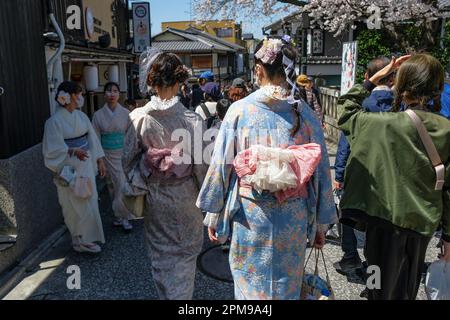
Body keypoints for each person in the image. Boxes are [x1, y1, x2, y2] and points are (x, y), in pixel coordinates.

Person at [197, 37, 337, 300]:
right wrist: (321, 222)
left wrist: (214, 212)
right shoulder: (304, 113)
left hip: (253, 214)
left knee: (251, 283)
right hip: (292, 217)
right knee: (287, 283)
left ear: (258, 70)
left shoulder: (240, 111)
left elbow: (221, 164)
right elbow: (320, 171)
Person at [338, 54, 450, 300]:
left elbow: (346, 112)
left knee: (377, 280)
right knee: (407, 285)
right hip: (422, 225)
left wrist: (372, 80)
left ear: (400, 85)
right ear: (438, 87)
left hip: (383, 221)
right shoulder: (445, 129)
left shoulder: (382, 124)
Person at [123, 48, 207, 300]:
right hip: (186, 199)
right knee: (185, 258)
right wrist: (208, 202)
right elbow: (203, 169)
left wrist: (144, 175)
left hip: (157, 198)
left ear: (152, 80)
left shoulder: (137, 118)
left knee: (161, 259)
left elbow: (126, 162)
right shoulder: (192, 120)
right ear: (181, 81)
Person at [333, 56, 395, 275]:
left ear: (368, 77)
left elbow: (345, 145)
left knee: (349, 216)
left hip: (359, 175)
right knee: (379, 233)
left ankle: (351, 258)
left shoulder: (362, 108)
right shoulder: (403, 108)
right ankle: (375, 275)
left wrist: (339, 174)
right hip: (391, 183)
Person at [43, 81, 106, 254]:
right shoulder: (53, 122)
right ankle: (78, 240)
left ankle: (87, 238)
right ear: (68, 97)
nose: (80, 98)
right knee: (72, 205)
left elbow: (92, 139)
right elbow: (51, 150)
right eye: (78, 94)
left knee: (89, 201)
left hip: (85, 165)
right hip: (68, 170)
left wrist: (100, 159)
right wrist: (71, 150)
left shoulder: (82, 117)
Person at [92, 82, 134, 232]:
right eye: (108, 91)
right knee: (112, 187)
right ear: (104, 95)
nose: (112, 94)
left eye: (115, 91)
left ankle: (125, 217)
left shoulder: (126, 113)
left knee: (121, 186)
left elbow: (130, 136)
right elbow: (95, 138)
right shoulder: (98, 115)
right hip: (106, 153)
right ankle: (119, 216)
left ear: (119, 94)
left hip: (122, 154)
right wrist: (99, 159)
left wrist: (131, 154)